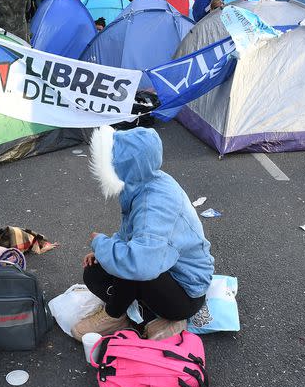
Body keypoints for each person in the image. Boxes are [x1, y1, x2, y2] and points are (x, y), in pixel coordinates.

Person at [71, 126, 213, 342]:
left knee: (129, 268)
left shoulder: (153, 203)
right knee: (94, 273)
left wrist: (101, 244)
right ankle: (147, 316)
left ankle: (120, 316)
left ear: (124, 166)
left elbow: (139, 265)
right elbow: (134, 235)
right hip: (166, 273)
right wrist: (106, 250)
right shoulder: (146, 182)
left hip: (185, 293)